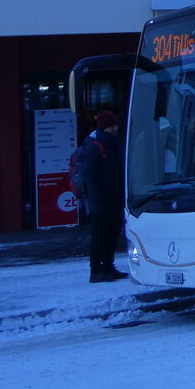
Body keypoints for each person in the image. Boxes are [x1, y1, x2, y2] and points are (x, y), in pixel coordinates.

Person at [82, 110, 127, 282]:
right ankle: (96, 270)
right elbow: (89, 175)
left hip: (113, 198)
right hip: (101, 200)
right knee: (99, 235)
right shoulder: (95, 145)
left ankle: (107, 266)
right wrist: (96, 200)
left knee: (112, 233)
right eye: (111, 126)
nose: (114, 128)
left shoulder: (113, 143)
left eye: (115, 125)